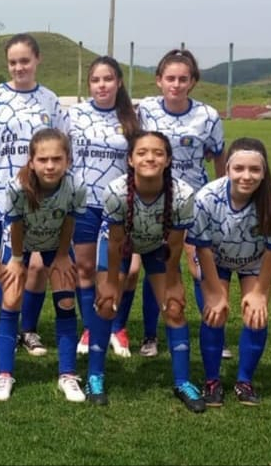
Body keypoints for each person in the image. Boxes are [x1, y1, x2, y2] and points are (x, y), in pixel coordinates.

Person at [0, 33, 69, 358]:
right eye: (13, 62)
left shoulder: (50, 101)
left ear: (37, 60)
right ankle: (7, 327)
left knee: (38, 263)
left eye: (25, 60)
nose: (19, 67)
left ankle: (29, 328)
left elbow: (65, 147)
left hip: (45, 199)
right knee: (5, 262)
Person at [92, 131, 203, 411]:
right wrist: (109, 283)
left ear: (167, 160)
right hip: (120, 244)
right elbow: (116, 241)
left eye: (158, 153)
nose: (150, 157)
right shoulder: (115, 191)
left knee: (175, 308)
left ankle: (182, 382)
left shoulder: (183, 194)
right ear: (130, 159)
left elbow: (176, 244)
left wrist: (174, 282)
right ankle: (95, 376)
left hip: (158, 245)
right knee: (106, 305)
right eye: (142, 152)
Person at [136, 49, 226, 361]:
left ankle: (213, 331)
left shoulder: (208, 116)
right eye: (170, 78)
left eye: (182, 79)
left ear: (193, 82)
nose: (176, 84)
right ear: (159, 80)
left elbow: (218, 157)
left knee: (200, 266)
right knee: (157, 265)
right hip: (155, 200)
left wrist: (221, 194)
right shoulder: (145, 110)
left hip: (197, 201)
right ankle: (150, 335)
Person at [189, 137, 271, 407]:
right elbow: (203, 248)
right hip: (215, 259)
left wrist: (260, 292)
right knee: (214, 315)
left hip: (253, 261)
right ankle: (212, 381)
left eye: (255, 169)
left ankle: (244, 380)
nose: (247, 176)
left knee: (257, 316)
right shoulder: (207, 197)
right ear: (228, 168)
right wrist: (215, 293)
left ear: (264, 171)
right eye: (239, 168)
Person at [0, 128, 85, 403]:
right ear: (31, 161)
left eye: (57, 158)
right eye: (43, 159)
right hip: (20, 243)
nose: (50, 165)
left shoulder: (76, 185)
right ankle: (4, 374)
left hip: (56, 242)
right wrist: (18, 261)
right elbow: (16, 225)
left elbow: (69, 220)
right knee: (10, 300)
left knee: (66, 302)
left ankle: (67, 374)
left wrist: (63, 256)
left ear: (68, 159)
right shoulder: (17, 187)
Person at [67, 56, 143, 358]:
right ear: (89, 84)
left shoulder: (133, 118)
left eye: (108, 79)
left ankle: (117, 326)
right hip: (84, 203)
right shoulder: (74, 116)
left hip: (121, 206)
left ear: (119, 82)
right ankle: (90, 326)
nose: (102, 85)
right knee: (84, 268)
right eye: (96, 80)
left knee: (122, 271)